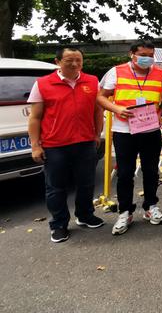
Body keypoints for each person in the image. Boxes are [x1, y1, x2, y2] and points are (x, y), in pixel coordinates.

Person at [27, 47, 104, 243]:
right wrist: (35, 145)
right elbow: (35, 118)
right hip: (55, 145)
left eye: (78, 60)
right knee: (56, 187)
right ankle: (59, 224)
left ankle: (85, 215)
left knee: (86, 183)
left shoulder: (92, 81)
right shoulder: (43, 84)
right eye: (69, 60)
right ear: (57, 62)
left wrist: (97, 134)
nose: (74, 64)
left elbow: (97, 111)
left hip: (85, 142)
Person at [97, 40, 162, 235]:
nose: (148, 59)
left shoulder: (160, 74)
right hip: (124, 131)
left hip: (151, 131)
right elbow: (101, 96)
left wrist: (158, 115)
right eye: (143, 54)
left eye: (151, 55)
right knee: (125, 173)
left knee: (151, 170)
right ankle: (125, 212)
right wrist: (117, 108)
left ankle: (151, 207)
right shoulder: (116, 71)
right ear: (131, 54)